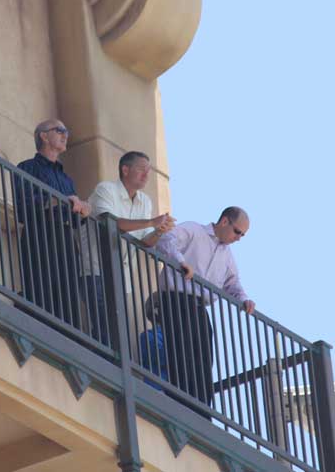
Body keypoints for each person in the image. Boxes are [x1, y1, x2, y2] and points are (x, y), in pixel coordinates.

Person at [153, 206, 255, 414]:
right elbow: (166, 240)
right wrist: (181, 262)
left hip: (198, 307)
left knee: (204, 360)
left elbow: (233, 283)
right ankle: (181, 406)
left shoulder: (227, 255)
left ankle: (201, 412)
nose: (239, 238)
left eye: (242, 235)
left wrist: (244, 299)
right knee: (182, 355)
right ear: (225, 221)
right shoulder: (194, 230)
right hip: (176, 300)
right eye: (237, 232)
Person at [84, 151, 174, 344]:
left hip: (121, 277)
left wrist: (159, 231)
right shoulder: (106, 189)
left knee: (115, 328)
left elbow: (144, 242)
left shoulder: (145, 201)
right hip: (95, 268)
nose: (146, 175)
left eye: (148, 171)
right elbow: (111, 223)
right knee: (105, 324)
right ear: (125, 169)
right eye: (141, 169)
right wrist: (151, 222)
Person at [15, 120, 92, 331]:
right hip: (40, 235)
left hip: (65, 237)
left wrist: (84, 211)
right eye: (59, 130)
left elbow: (76, 221)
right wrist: (61, 201)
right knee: (43, 289)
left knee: (68, 294)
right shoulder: (27, 167)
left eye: (67, 131)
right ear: (43, 136)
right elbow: (25, 207)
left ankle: (70, 338)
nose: (65, 135)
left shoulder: (66, 178)